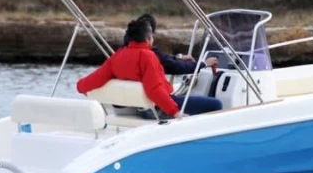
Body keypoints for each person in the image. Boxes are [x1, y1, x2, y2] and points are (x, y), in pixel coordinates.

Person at [77, 18, 222, 117]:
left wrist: (81, 87)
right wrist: (175, 112)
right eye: (152, 36)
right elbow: (154, 89)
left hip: (137, 109)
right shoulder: (148, 56)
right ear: (148, 38)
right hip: (158, 109)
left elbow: (95, 79)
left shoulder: (117, 56)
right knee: (216, 104)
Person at [124, 14, 218, 75]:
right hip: (156, 102)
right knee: (216, 104)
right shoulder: (150, 55)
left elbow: (165, 61)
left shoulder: (121, 54)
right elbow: (175, 67)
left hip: (126, 100)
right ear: (149, 37)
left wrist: (178, 57)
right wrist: (204, 64)